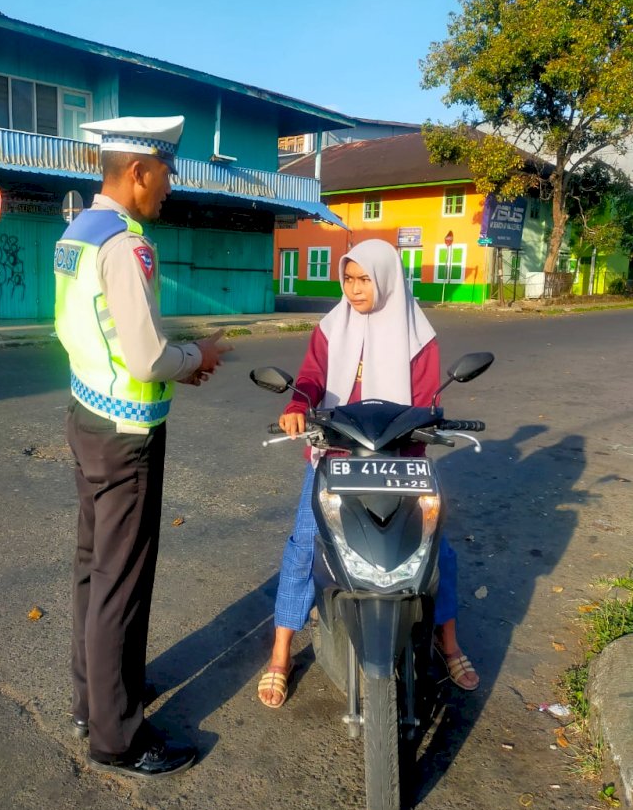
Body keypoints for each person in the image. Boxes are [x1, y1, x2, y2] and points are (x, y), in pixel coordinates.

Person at [54, 115, 231, 776]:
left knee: (92, 571)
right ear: (139, 172)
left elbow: (89, 329)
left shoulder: (75, 233)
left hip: (85, 416)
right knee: (120, 584)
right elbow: (148, 353)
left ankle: (93, 701)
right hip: (126, 433)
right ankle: (118, 737)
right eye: (166, 173)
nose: (170, 187)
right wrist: (199, 355)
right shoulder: (127, 245)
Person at [258, 239, 479, 708]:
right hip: (335, 455)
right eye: (348, 279)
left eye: (364, 279)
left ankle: (450, 641)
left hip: (401, 460)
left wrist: (427, 427)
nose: (355, 289)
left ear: (386, 280)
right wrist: (299, 404)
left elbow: (426, 402)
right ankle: (280, 653)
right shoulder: (331, 326)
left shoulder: (419, 336)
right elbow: (313, 377)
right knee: (303, 546)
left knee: (438, 553)